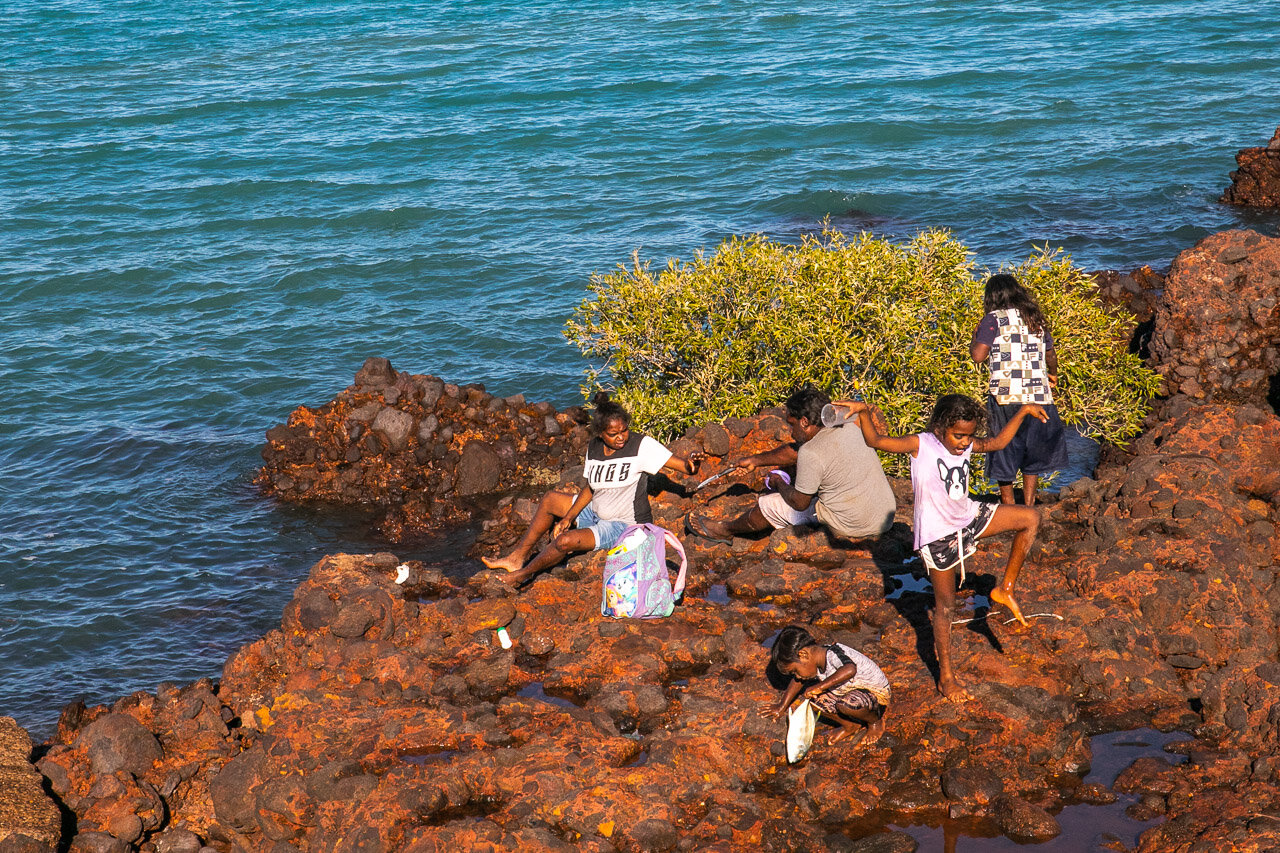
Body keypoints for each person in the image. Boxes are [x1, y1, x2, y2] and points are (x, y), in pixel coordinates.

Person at [846, 394, 1045, 702]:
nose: (964, 443)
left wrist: (1022, 412)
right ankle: (946, 677)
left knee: (1030, 517)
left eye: (968, 436)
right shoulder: (920, 444)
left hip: (968, 517)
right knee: (946, 608)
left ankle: (1005, 589)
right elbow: (876, 442)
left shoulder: (965, 444)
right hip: (939, 536)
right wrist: (861, 412)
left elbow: (996, 444)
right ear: (939, 427)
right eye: (958, 436)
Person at [484, 392, 704, 586]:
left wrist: (693, 464)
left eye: (624, 430)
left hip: (625, 526)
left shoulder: (641, 445)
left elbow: (685, 467)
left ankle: (524, 574)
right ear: (600, 434)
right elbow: (591, 488)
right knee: (551, 499)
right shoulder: (595, 447)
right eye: (613, 434)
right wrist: (568, 518)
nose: (621, 437)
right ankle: (517, 558)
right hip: (596, 512)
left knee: (565, 541)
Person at [685, 386, 895, 544]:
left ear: (804, 422)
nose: (790, 431)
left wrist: (778, 484)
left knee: (770, 504)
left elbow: (799, 503)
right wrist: (755, 461)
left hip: (854, 526)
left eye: (791, 424)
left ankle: (725, 530)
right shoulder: (851, 425)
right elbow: (795, 452)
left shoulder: (811, 452)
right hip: (885, 517)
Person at [970, 273, 1068, 506]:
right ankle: (1029, 504)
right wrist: (1052, 372)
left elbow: (978, 356)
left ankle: (1008, 505)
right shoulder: (1035, 319)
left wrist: (976, 336)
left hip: (1005, 395)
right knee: (1032, 450)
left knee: (1004, 447)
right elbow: (1050, 353)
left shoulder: (992, 319)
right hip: (1038, 396)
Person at [770, 624, 890, 747]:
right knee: (815, 702)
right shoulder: (815, 660)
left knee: (847, 704)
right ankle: (850, 725)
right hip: (850, 691)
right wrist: (781, 706)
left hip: (875, 694)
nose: (797, 675)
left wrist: (820, 686)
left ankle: (875, 722)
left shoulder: (833, 655)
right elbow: (797, 681)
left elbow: (850, 669)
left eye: (795, 670)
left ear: (804, 655)